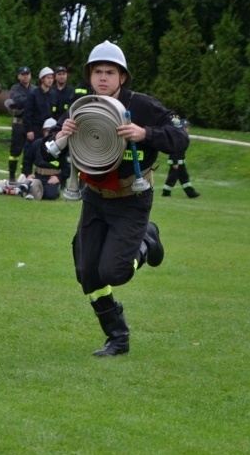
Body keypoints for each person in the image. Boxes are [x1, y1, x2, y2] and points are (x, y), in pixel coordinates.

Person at [41, 41, 189, 356]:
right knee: (87, 273)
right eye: (98, 72)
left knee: (114, 272)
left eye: (110, 72)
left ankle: (148, 238)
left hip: (131, 200)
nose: (103, 78)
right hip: (93, 198)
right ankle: (117, 338)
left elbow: (181, 138)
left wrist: (145, 134)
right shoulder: (79, 105)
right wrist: (60, 136)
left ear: (122, 77)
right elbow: (44, 149)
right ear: (90, 76)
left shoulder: (144, 106)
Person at [24, 117, 69, 200]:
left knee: (50, 195)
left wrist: (59, 177)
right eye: (47, 130)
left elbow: (68, 166)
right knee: (26, 191)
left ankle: (52, 190)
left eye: (51, 131)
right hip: (37, 176)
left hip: (51, 178)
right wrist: (28, 174)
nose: (49, 133)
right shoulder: (37, 144)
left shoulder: (62, 147)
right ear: (43, 131)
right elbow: (27, 160)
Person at [7, 66, 33, 181]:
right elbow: (17, 101)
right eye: (23, 74)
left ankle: (25, 175)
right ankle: (12, 175)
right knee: (15, 151)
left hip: (30, 125)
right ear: (19, 76)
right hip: (18, 124)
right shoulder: (15, 88)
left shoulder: (34, 89)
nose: (25, 76)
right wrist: (31, 101)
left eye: (27, 74)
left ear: (30, 76)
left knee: (28, 151)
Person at [161, 118, 200, 198]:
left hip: (179, 161)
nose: (187, 129)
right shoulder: (179, 137)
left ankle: (189, 192)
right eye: (185, 127)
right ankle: (167, 192)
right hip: (176, 162)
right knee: (175, 177)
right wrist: (175, 162)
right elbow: (175, 151)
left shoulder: (181, 136)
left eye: (187, 127)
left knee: (181, 177)